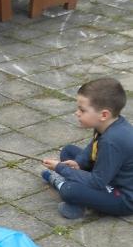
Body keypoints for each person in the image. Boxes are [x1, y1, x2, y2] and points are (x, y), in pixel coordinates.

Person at [41, 78, 133, 221]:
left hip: (123, 196)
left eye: (82, 110)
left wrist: (61, 168)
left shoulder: (112, 141)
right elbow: (93, 147)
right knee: (68, 151)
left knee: (70, 189)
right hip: (109, 174)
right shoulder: (107, 124)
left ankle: (62, 185)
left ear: (104, 115)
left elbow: (97, 182)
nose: (77, 113)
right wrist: (79, 162)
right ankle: (81, 196)